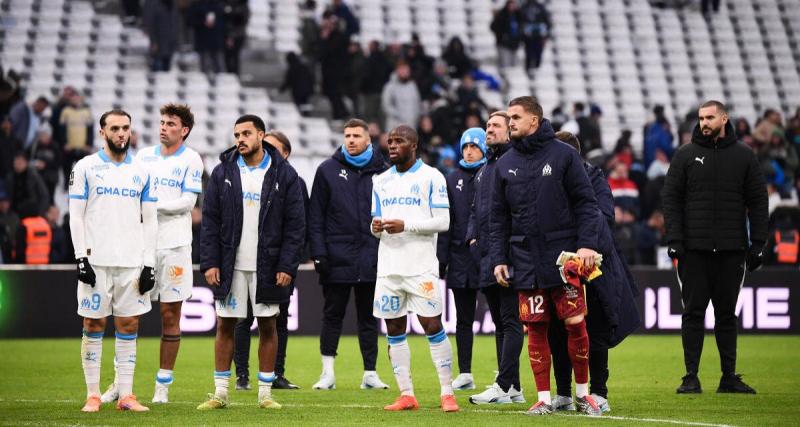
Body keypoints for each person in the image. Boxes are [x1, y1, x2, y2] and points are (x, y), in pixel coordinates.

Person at [489, 96, 603, 416]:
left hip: (564, 257)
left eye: (515, 117)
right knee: (534, 326)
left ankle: (583, 394)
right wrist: (499, 258)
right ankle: (543, 398)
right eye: (508, 117)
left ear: (534, 121)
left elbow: (586, 203)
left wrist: (587, 245)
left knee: (575, 321)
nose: (510, 122)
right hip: (524, 257)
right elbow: (498, 218)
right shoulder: (505, 163)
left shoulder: (564, 155)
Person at [198, 114, 305, 410]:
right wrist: (210, 262)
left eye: (246, 134)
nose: (240, 140)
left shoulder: (285, 175)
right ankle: (220, 393)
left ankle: (265, 394)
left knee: (268, 325)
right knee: (225, 325)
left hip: (268, 266)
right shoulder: (223, 172)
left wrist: (286, 266)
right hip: (230, 265)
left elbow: (296, 226)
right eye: (236, 135)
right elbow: (210, 221)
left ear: (261, 135)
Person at [662, 100, 768, 395]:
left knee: (726, 315)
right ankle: (690, 376)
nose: (704, 122)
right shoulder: (685, 155)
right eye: (701, 118)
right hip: (693, 251)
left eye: (710, 117)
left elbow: (758, 201)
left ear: (724, 118)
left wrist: (758, 244)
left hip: (732, 250)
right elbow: (670, 200)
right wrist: (675, 241)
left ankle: (728, 377)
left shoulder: (745, 156)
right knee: (693, 313)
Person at [101, 104, 201, 404]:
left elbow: (187, 203)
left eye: (171, 123)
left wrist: (150, 207)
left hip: (174, 246)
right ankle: (120, 383)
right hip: (141, 246)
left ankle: (162, 387)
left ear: (183, 130)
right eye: (161, 122)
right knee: (128, 315)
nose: (163, 127)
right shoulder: (141, 156)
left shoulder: (192, 159)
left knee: (170, 316)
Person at [69, 109, 158, 412]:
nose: (122, 133)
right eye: (115, 128)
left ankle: (126, 395)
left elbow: (151, 220)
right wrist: (81, 257)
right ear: (102, 132)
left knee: (129, 324)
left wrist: (149, 263)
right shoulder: (86, 167)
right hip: (96, 260)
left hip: (132, 261)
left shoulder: (143, 171)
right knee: (93, 322)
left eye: (126, 128)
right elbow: (76, 217)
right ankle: (93, 394)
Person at [549, 130, 641, 413]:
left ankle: (599, 392)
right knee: (557, 329)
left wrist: (581, 246)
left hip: (594, 266)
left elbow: (604, 217)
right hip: (558, 265)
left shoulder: (593, 177)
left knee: (595, 328)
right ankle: (564, 393)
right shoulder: (546, 180)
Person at [370, 125, 458, 412]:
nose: (392, 145)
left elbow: (443, 222)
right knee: (394, 329)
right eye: (390, 141)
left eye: (400, 141)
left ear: (414, 145)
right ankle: (406, 394)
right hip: (389, 269)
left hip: (421, 268)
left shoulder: (432, 177)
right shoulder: (380, 181)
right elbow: (377, 225)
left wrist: (406, 225)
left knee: (432, 326)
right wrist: (376, 228)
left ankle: (447, 392)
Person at [307, 118, 390, 390]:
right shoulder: (327, 170)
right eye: (347, 135)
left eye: (356, 135)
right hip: (336, 256)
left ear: (368, 139)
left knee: (369, 317)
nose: (351, 140)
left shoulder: (385, 172)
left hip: (372, 256)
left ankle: (370, 373)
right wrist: (319, 253)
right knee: (333, 315)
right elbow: (315, 217)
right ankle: (327, 373)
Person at [233, 130, 309, 391]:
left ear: (285, 153)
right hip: (246, 261)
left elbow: (299, 227)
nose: (268, 152)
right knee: (242, 319)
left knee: (279, 319)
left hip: (279, 264)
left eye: (274, 148)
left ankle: (277, 374)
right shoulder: (246, 177)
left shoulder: (295, 182)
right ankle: (242, 375)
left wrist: (290, 263)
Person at [466, 111, 525, 405]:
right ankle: (513, 386)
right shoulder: (485, 168)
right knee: (501, 323)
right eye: (488, 126)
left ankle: (503, 384)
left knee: (511, 321)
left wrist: (511, 250)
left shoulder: (514, 163)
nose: (489, 130)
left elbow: (518, 212)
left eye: (495, 126)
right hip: (487, 256)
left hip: (508, 256)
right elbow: (476, 211)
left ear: (510, 131)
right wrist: (473, 241)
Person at [437, 128, 486, 391]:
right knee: (463, 319)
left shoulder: (491, 173)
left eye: (475, 146)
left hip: (488, 256)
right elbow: (447, 223)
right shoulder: (451, 178)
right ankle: (465, 372)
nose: (469, 150)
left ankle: (506, 376)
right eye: (465, 146)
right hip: (459, 258)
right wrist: (441, 260)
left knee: (503, 319)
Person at [381, 62, 421, 132]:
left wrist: (416, 118)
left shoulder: (413, 85)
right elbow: (386, 105)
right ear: (397, 71)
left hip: (411, 127)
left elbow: (417, 102)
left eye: (407, 70)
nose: (405, 72)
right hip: (395, 127)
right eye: (402, 70)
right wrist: (400, 116)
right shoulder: (390, 86)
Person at [142, 0, 181, 72]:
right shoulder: (154, 4)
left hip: (170, 42)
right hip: (159, 42)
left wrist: (175, 39)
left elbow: (176, 23)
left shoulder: (172, 4)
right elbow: (151, 25)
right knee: (158, 68)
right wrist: (153, 41)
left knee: (167, 67)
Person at [491, 1, 523, 69]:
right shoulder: (502, 15)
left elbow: (521, 27)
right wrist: (503, 35)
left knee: (514, 66)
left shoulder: (518, 15)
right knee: (505, 65)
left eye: (514, 5)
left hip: (514, 44)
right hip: (503, 44)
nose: (512, 6)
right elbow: (493, 27)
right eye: (511, 5)